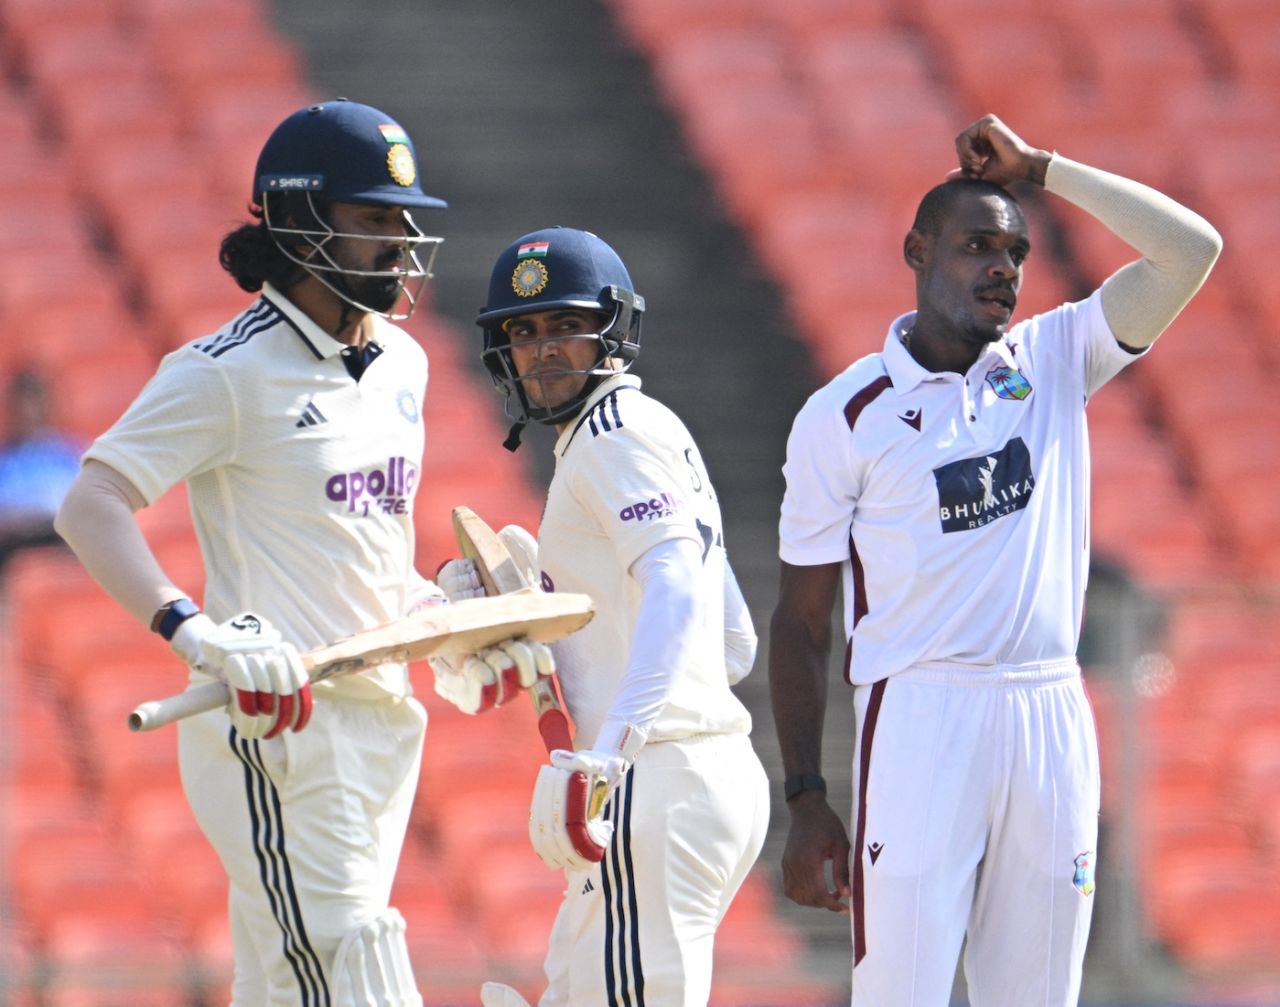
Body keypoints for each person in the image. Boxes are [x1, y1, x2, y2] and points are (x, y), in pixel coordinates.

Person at [54, 98, 552, 1007]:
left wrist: (447, 624)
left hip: (381, 722)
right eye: (373, 221)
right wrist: (197, 633)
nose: (400, 245)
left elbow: (366, 557)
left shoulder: (405, 363)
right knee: (353, 953)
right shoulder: (224, 372)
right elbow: (90, 503)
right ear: (298, 220)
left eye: (405, 224)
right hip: (274, 722)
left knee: (284, 984)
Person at [768, 114, 1221, 1007]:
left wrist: (1044, 169)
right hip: (919, 719)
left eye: (1015, 255)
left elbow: (1191, 251)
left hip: (1050, 712)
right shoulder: (844, 414)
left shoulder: (1052, 358)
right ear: (917, 250)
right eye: (978, 246)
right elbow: (802, 620)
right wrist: (807, 793)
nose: (1003, 269)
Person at [436, 227, 770, 1007]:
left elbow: (680, 590)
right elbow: (734, 642)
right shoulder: (650, 432)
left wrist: (610, 755)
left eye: (564, 326)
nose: (544, 349)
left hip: (651, 784)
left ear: (613, 329)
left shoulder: (609, 440)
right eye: (524, 332)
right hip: (697, 778)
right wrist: (538, 631)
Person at [0, 367, 81, 570]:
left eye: (33, 404)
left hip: (62, 540)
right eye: (20, 406)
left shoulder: (70, 453)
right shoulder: (6, 460)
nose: (27, 413)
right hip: (14, 545)